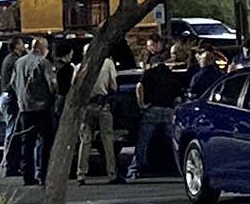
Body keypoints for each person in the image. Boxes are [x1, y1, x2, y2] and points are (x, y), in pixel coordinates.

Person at [128, 43, 180, 181]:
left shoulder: (149, 73)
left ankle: (134, 170)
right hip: (168, 111)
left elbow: (139, 86)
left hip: (152, 110)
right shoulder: (171, 75)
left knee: (143, 142)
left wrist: (141, 104)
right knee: (174, 142)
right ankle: (180, 168)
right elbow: (178, 96)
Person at [14, 37, 57, 186]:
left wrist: (21, 97)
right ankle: (43, 174)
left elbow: (13, 83)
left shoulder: (19, 63)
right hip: (41, 108)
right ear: (42, 48)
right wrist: (53, 96)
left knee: (27, 143)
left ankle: (28, 175)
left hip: (24, 108)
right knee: (46, 143)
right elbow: (52, 83)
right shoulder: (43, 63)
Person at [77, 44, 120, 185]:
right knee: (107, 139)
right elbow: (114, 85)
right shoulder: (107, 63)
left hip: (85, 107)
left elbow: (74, 88)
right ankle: (112, 173)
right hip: (102, 105)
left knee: (85, 140)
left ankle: (81, 174)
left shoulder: (79, 67)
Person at [0, 37, 27, 178]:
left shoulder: (10, 58)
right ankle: (10, 165)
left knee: (14, 131)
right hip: (10, 98)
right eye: (22, 44)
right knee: (12, 131)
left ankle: (13, 164)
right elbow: (16, 81)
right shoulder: (14, 60)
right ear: (16, 46)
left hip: (7, 97)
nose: (24, 46)